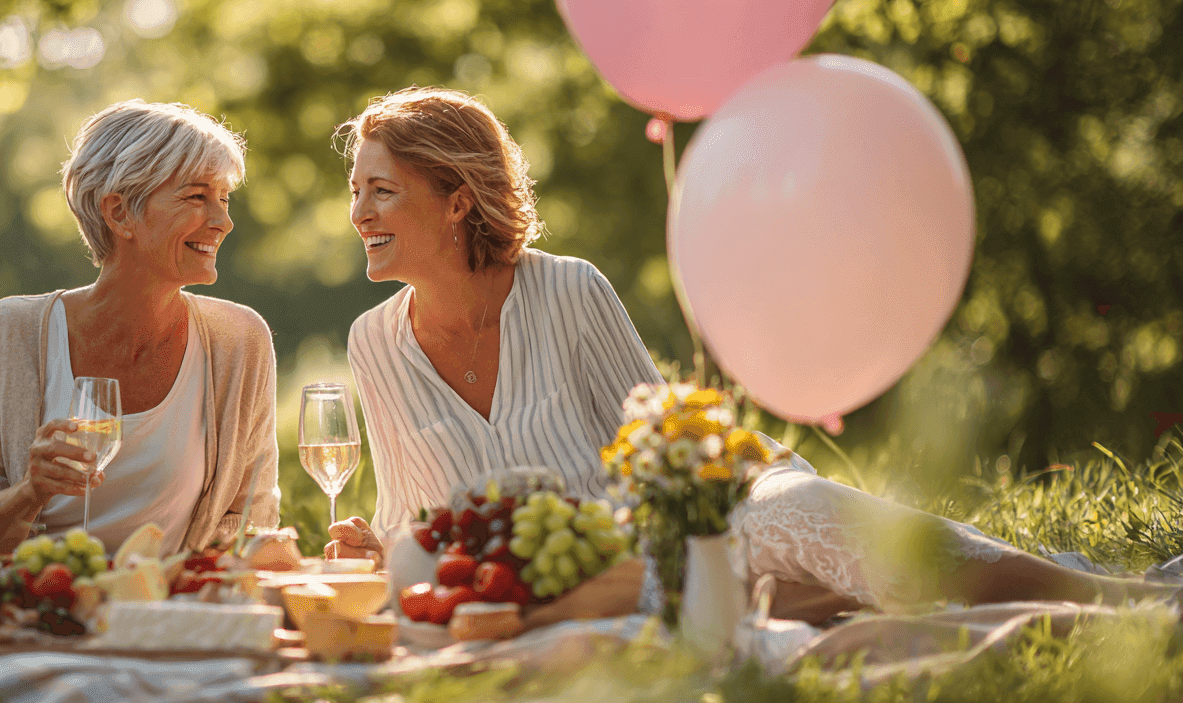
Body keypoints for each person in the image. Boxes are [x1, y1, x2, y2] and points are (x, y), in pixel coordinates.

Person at [323, 87, 1172, 623]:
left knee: (803, 519)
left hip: (677, 542)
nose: (358, 210)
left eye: (380, 188)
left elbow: (677, 453)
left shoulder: (567, 289)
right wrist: (374, 542)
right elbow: (419, 517)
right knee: (832, 568)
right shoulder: (374, 344)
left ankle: (1118, 601)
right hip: (560, 599)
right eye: (355, 190)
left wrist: (768, 490)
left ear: (458, 198)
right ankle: (1059, 585)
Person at [0, 100, 279, 563]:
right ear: (119, 213)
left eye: (223, 198)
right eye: (197, 197)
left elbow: (250, 523)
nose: (223, 220)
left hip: (158, 607)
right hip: (32, 598)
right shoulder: (15, 330)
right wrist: (30, 491)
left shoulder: (240, 342)